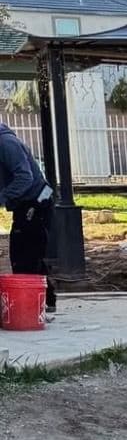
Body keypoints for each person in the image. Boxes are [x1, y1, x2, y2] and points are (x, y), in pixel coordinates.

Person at [1, 119, 57, 315]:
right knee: (26, 252)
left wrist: (2, 197)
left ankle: (32, 305)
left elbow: (25, 177)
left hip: (37, 200)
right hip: (27, 201)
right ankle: (44, 301)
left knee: (25, 252)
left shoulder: (6, 143)